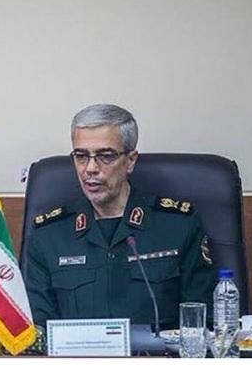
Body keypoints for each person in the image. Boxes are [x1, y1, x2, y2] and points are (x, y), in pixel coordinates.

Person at [25, 104, 216, 330]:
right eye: (81, 156)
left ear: (131, 160)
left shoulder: (177, 225)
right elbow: (38, 330)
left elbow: (202, 321)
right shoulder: (48, 235)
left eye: (105, 156)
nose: (90, 169)